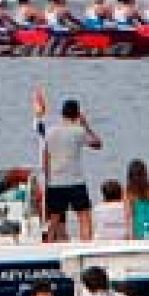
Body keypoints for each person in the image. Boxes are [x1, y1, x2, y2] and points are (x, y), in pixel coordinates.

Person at [45, 99, 103, 242]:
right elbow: (98, 144)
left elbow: (45, 157)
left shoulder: (50, 131)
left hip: (55, 182)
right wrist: (86, 125)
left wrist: (48, 178)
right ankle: (86, 246)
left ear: (62, 113)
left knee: (54, 220)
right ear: (77, 114)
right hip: (76, 181)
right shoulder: (78, 131)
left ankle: (49, 246)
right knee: (84, 217)